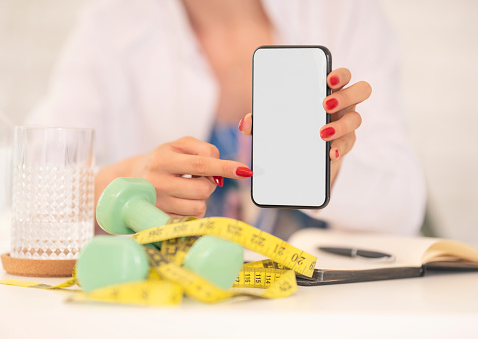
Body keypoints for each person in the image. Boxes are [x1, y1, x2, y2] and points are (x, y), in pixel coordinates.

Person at [28, 0, 426, 238]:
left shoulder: (342, 11)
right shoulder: (111, 22)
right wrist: (126, 182)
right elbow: (30, 192)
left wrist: (330, 175)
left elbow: (405, 207)